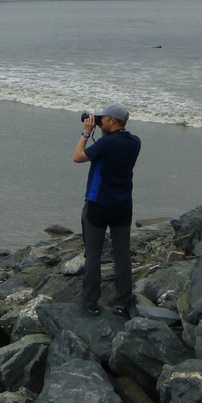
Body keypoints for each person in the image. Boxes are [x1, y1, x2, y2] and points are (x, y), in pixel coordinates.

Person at [72, 103, 141, 317]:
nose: (100, 120)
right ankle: (122, 302)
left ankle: (91, 302)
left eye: (103, 118)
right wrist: (100, 131)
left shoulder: (105, 144)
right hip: (123, 205)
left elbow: (78, 156)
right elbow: (110, 145)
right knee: (122, 255)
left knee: (93, 255)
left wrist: (86, 132)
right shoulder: (134, 142)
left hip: (97, 204)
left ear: (112, 120)